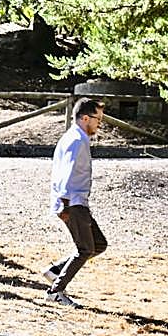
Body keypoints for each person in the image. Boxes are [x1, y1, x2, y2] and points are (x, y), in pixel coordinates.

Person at [43, 97, 107, 307]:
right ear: (85, 118)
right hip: (72, 201)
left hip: (77, 201)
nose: (100, 123)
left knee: (98, 244)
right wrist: (65, 203)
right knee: (85, 249)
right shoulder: (76, 140)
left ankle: (56, 271)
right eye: (98, 119)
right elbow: (65, 173)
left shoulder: (76, 138)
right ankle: (55, 291)